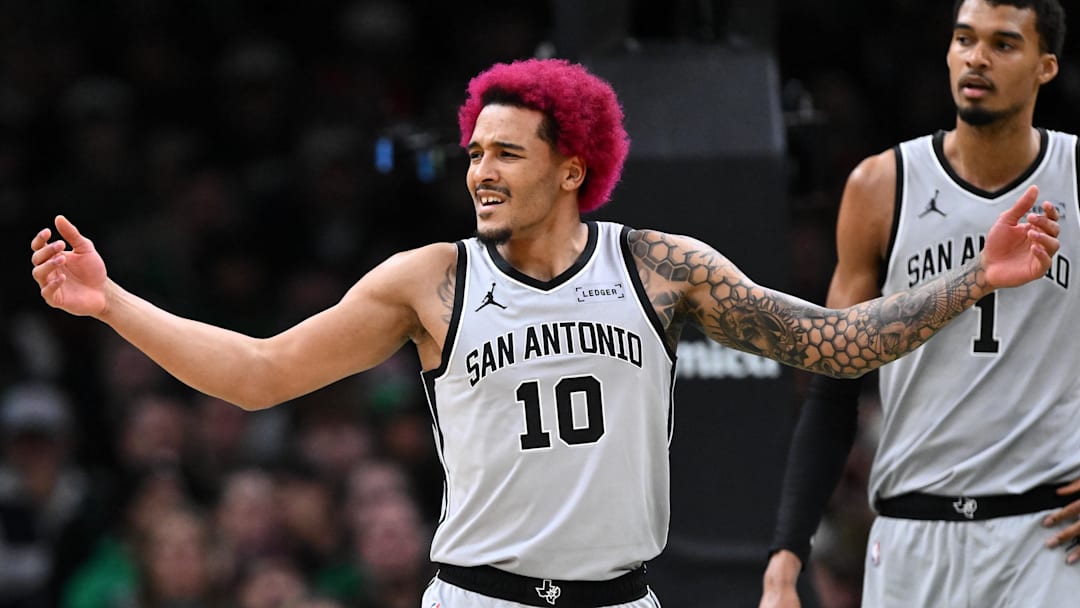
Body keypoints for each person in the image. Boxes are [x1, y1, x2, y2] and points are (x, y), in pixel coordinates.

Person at [30, 57, 1060, 608]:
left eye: (507, 154)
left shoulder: (660, 266)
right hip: (481, 600)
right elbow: (258, 374)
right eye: (475, 150)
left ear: (572, 167)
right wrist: (115, 303)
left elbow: (838, 341)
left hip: (619, 602)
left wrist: (979, 275)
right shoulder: (430, 279)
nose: (480, 170)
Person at [759, 1, 1079, 607]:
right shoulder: (881, 186)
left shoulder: (1077, 175)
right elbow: (833, 387)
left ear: (1046, 67)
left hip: (1044, 536)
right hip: (913, 534)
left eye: (1004, 44)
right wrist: (784, 557)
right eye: (964, 39)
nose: (976, 57)